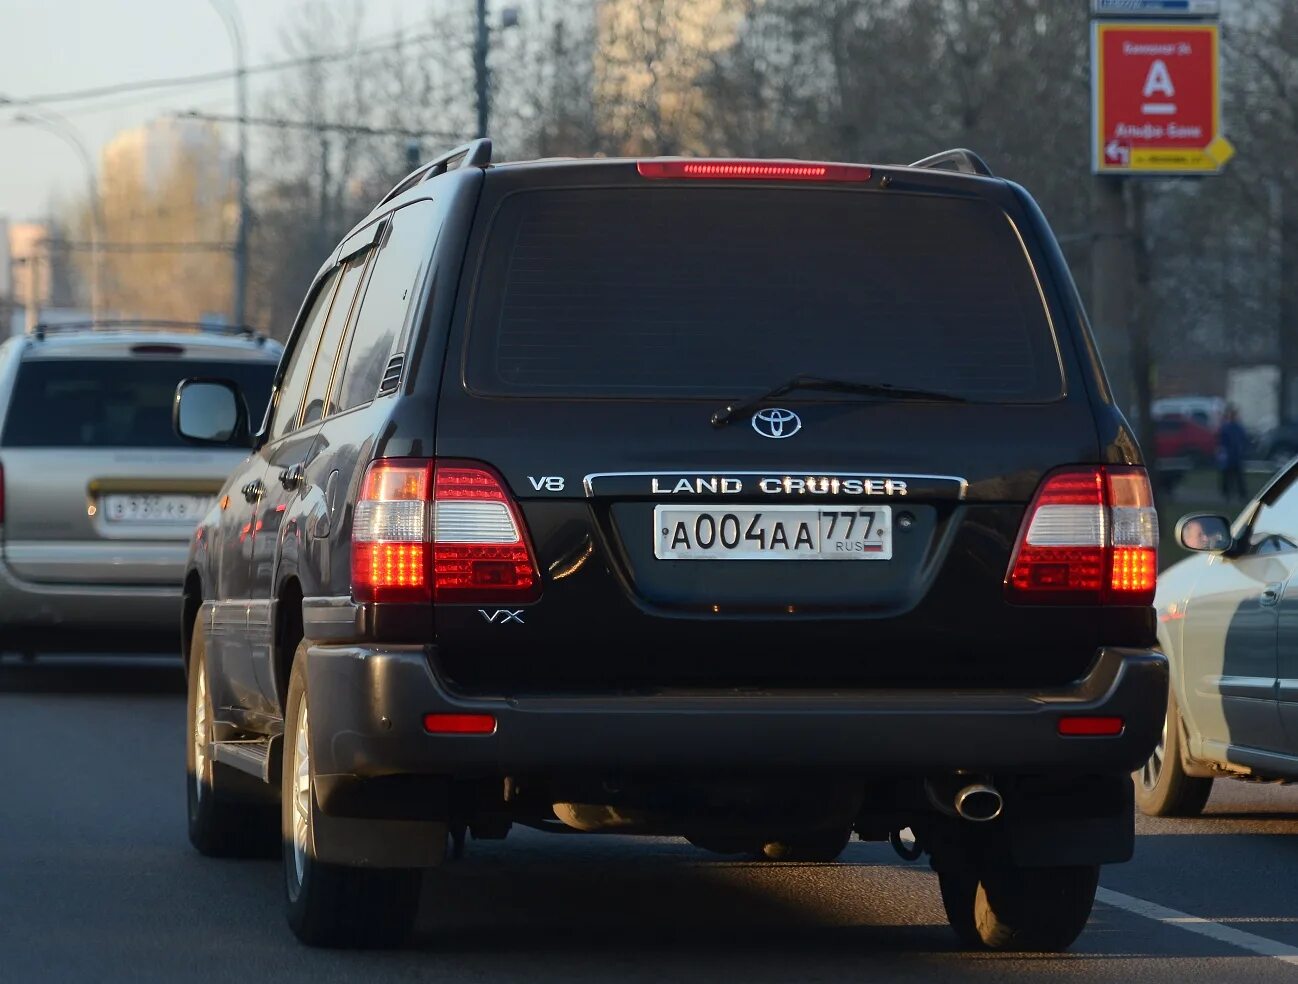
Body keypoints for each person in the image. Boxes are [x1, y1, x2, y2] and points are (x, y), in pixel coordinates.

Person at [1217, 404, 1249, 501]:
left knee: (1238, 476)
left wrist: (1242, 449)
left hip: (1236, 455)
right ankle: (1226, 494)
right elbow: (1221, 441)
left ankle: (1242, 495)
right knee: (1227, 476)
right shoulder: (1226, 427)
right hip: (1228, 456)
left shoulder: (1238, 428)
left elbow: (1243, 439)